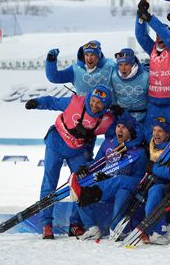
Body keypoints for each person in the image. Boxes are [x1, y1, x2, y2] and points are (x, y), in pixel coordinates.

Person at [25, 85, 116, 239]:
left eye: (99, 103)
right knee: (49, 183)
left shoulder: (107, 120)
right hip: (56, 142)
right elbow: (52, 102)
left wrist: (121, 114)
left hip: (78, 151)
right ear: (88, 98)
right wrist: (36, 102)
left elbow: (119, 132)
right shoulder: (75, 102)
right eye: (93, 100)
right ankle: (46, 224)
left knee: (82, 183)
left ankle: (75, 224)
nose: (94, 105)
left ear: (105, 106)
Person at [68, 113, 148, 240]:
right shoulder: (108, 144)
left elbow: (137, 179)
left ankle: (116, 229)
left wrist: (112, 179)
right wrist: (86, 168)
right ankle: (92, 227)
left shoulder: (139, 152)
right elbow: (97, 163)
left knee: (122, 189)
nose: (119, 130)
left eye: (124, 128)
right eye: (118, 126)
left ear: (131, 131)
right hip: (108, 186)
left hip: (129, 186)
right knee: (80, 185)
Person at [135, 0, 170, 140]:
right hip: (154, 102)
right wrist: (140, 17)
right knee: (150, 134)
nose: (160, 37)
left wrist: (151, 18)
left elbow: (169, 39)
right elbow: (141, 36)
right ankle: (152, 159)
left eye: (163, 35)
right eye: (158, 35)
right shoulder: (153, 50)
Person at [142, 117, 170, 244]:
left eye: (160, 131)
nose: (156, 133)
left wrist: (154, 168)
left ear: (167, 135)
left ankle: (148, 229)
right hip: (151, 181)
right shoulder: (150, 146)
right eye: (154, 130)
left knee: (155, 191)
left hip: (168, 184)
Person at [45, 40, 116, 96]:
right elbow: (54, 77)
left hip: (109, 111)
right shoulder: (75, 70)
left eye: (92, 55)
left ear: (98, 56)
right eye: (87, 55)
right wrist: (50, 60)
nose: (89, 58)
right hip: (84, 112)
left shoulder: (110, 66)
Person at [110, 48, 149, 123]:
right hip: (121, 117)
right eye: (120, 65)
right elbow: (113, 96)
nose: (123, 68)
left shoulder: (145, 77)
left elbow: (151, 99)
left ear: (132, 64)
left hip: (142, 118)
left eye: (126, 64)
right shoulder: (114, 76)